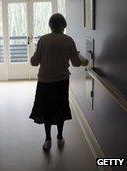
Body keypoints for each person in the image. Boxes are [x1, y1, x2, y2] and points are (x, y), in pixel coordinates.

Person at [29, 13, 88, 150]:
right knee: (60, 109)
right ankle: (60, 137)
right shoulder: (68, 40)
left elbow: (34, 62)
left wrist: (36, 55)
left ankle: (48, 139)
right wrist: (80, 57)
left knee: (46, 110)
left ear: (50, 25)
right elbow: (75, 63)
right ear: (64, 25)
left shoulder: (43, 40)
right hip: (62, 82)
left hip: (44, 82)